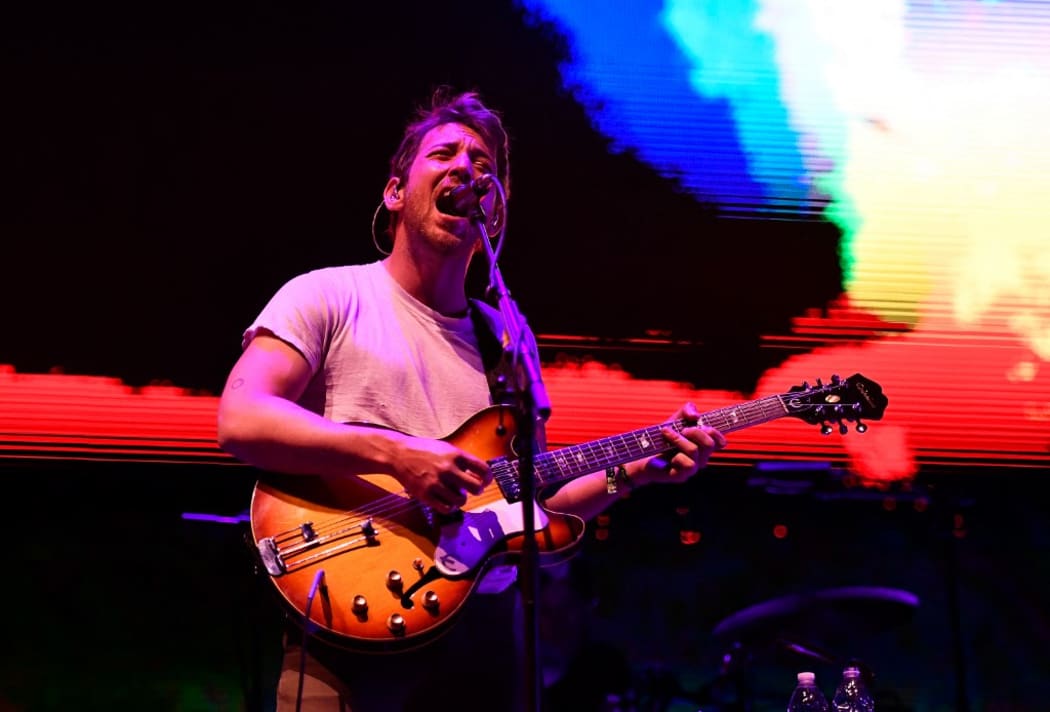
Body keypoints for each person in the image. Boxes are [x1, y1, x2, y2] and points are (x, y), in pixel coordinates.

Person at [216, 86, 727, 712]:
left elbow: (533, 500)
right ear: (395, 192)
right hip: (351, 614)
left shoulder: (505, 334)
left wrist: (635, 471)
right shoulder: (328, 295)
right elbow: (241, 418)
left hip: (482, 636)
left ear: (495, 213)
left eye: (483, 165)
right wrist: (397, 453)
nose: (467, 169)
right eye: (444, 155)